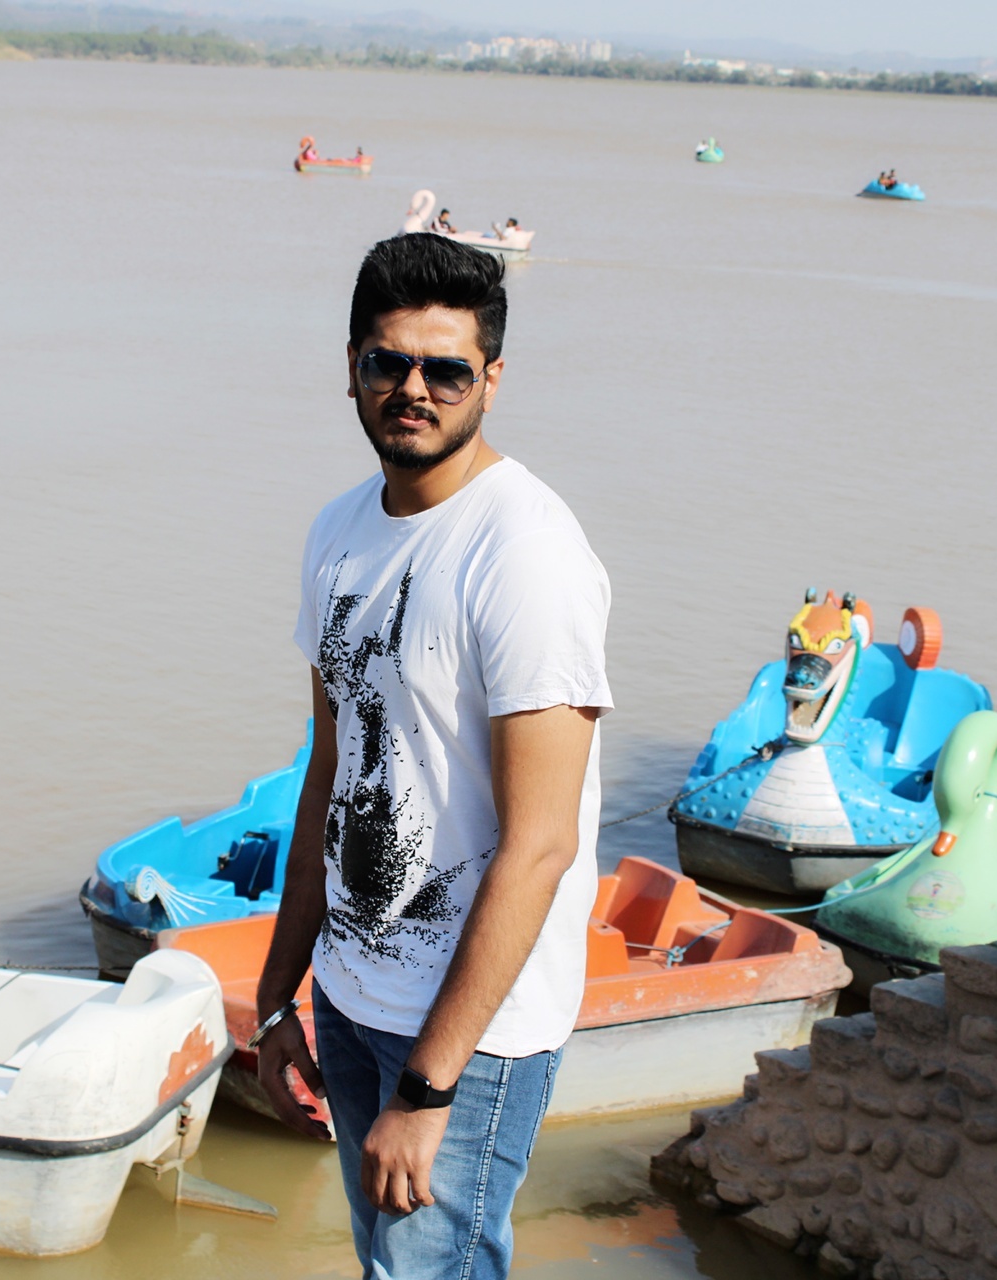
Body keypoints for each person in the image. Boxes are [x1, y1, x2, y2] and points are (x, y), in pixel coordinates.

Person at [253, 232, 612, 1280]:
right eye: (389, 361)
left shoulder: (527, 556)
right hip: (350, 994)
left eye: (447, 370)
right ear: (352, 367)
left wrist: (428, 1089)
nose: (414, 389)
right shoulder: (338, 533)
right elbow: (331, 771)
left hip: (469, 1034)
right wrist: (278, 998)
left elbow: (540, 845)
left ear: (491, 380)